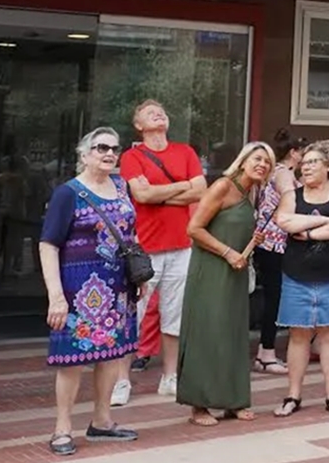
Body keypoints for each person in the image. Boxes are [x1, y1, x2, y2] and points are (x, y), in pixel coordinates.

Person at [38, 128, 141, 455]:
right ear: (84, 155)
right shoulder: (68, 193)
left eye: (114, 148)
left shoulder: (122, 187)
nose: (109, 154)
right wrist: (55, 294)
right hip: (77, 289)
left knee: (112, 354)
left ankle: (102, 421)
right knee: (71, 359)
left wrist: (140, 274)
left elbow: (130, 233)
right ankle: (62, 428)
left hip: (118, 287)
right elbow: (48, 244)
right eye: (101, 148)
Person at [114, 100, 206, 403]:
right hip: (144, 248)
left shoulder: (186, 152)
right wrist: (181, 187)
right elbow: (140, 194)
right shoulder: (132, 156)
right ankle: (121, 382)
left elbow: (200, 190)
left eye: (162, 111)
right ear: (138, 125)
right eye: (149, 111)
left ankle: (170, 378)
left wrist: (158, 195)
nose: (158, 113)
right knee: (132, 316)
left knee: (174, 316)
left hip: (181, 246)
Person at [178, 142, 275, 425]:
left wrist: (251, 243)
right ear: (243, 160)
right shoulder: (222, 185)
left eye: (267, 162)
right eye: (258, 159)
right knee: (207, 334)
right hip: (210, 270)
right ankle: (199, 405)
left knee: (232, 336)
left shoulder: (252, 192)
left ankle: (233, 401)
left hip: (235, 272)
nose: (262, 165)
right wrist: (228, 252)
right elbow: (194, 229)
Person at [273, 141, 329, 418]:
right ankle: (292, 395)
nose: (306, 167)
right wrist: (323, 222)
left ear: (328, 167)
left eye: (313, 163)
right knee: (297, 336)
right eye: (304, 163)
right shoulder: (292, 195)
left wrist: (308, 230)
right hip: (296, 275)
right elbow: (283, 221)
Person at [253, 131, 304, 375]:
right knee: (274, 297)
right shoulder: (283, 172)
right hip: (276, 243)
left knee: (275, 295)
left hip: (273, 242)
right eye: (303, 153)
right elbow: (289, 194)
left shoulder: (277, 171)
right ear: (294, 152)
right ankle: (267, 351)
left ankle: (267, 349)